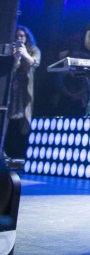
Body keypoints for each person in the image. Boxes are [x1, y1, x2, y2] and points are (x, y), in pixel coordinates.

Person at [5, 25, 41, 158]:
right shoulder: (9, 49)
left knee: (22, 121)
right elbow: (10, 69)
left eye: (22, 36)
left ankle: (18, 152)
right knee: (6, 119)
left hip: (24, 90)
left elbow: (35, 62)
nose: (20, 39)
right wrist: (16, 58)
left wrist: (25, 54)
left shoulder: (33, 49)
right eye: (17, 36)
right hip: (10, 89)